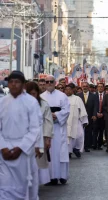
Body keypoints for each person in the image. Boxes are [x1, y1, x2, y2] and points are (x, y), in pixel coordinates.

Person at [0, 71, 42, 199]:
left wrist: (21, 148)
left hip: (23, 151)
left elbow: (35, 128)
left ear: (23, 85)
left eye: (17, 82)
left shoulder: (31, 102)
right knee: (5, 186)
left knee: (23, 187)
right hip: (5, 150)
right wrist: (3, 147)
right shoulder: (2, 102)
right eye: (11, 82)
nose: (13, 85)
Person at [41, 75, 70, 185]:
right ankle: (49, 177)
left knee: (60, 152)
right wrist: (48, 116)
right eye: (47, 81)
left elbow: (66, 110)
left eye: (51, 81)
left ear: (55, 83)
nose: (49, 83)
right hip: (47, 129)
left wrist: (56, 115)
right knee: (48, 152)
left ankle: (62, 176)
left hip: (59, 128)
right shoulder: (41, 96)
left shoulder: (62, 96)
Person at [26, 81, 54, 185]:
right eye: (29, 93)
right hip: (25, 137)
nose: (32, 96)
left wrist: (47, 138)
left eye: (34, 93)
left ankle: (35, 183)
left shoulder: (44, 104)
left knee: (37, 161)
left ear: (37, 93)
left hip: (39, 137)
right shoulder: (21, 103)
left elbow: (48, 122)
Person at [65, 84, 88, 158]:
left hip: (76, 120)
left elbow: (82, 110)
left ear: (72, 90)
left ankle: (76, 149)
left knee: (79, 135)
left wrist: (84, 121)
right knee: (68, 137)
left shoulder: (77, 98)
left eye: (69, 89)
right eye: (66, 89)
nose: (68, 91)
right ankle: (68, 152)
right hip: (66, 121)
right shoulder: (63, 98)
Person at [78, 82, 97, 152]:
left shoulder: (94, 96)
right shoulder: (78, 95)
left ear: (88, 87)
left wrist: (94, 115)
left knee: (88, 132)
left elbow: (95, 106)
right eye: (83, 86)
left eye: (86, 86)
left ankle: (86, 146)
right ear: (81, 87)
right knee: (80, 131)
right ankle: (79, 146)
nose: (85, 87)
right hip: (80, 116)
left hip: (90, 116)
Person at [94, 83, 106, 150]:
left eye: (101, 87)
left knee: (101, 130)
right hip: (96, 115)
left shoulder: (106, 96)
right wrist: (96, 113)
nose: (100, 88)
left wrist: (103, 113)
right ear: (97, 88)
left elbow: (107, 106)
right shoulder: (94, 95)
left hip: (103, 115)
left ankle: (99, 145)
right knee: (95, 130)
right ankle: (94, 144)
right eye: (99, 87)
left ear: (103, 88)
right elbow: (93, 106)